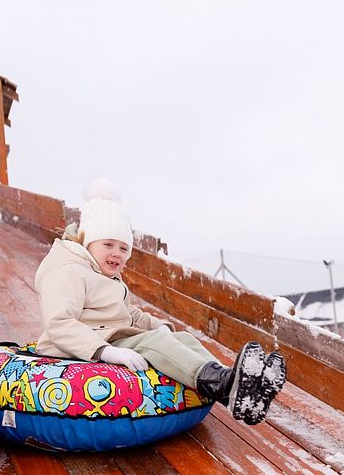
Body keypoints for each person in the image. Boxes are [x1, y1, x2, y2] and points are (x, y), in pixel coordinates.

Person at [34, 179, 286, 425]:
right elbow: (59, 323)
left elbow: (128, 313)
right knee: (155, 342)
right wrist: (105, 351)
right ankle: (223, 385)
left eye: (123, 248)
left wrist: (160, 326)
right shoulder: (68, 271)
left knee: (182, 338)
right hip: (78, 345)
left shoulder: (104, 274)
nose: (116, 253)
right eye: (108, 244)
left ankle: (235, 385)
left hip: (108, 335)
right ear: (87, 242)